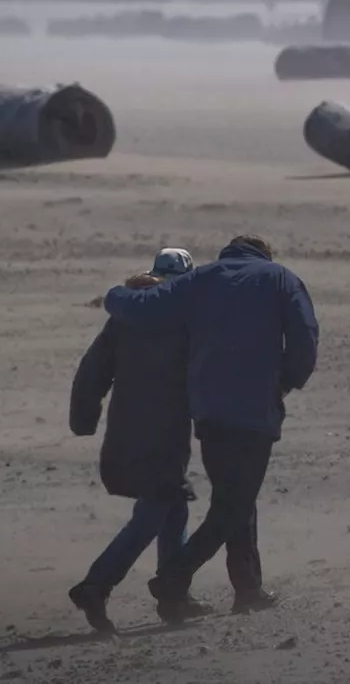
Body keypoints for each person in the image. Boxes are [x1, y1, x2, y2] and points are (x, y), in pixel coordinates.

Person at [103, 234, 319, 623]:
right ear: (264, 255)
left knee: (235, 498)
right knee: (234, 503)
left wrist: (114, 295)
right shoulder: (280, 278)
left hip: (209, 411)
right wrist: (286, 381)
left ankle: (248, 589)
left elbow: (147, 306)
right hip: (255, 410)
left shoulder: (202, 278)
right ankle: (173, 576)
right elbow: (305, 335)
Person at [67, 248, 212, 633]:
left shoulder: (124, 318)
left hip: (128, 427)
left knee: (173, 504)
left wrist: (83, 418)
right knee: (155, 509)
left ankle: (174, 594)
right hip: (162, 431)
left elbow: (92, 370)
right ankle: (96, 585)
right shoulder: (184, 318)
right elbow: (203, 372)